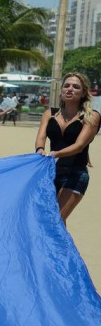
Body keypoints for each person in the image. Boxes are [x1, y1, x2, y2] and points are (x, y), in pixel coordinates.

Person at [34, 72, 100, 224]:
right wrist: (40, 150)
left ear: (83, 92)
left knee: (56, 220)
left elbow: (78, 146)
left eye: (76, 87)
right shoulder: (49, 114)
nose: (70, 89)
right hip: (52, 172)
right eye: (67, 86)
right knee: (47, 220)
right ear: (61, 90)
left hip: (75, 174)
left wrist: (55, 154)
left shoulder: (91, 116)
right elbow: (41, 138)